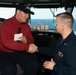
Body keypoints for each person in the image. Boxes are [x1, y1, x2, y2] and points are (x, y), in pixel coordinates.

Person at [0, 4, 39, 75]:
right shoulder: (6, 24)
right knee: (8, 70)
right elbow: (7, 43)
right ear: (18, 12)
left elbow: (31, 41)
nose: (27, 16)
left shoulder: (26, 26)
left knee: (34, 65)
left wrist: (26, 41)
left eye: (28, 14)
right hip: (5, 52)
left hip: (20, 52)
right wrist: (27, 46)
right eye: (25, 13)